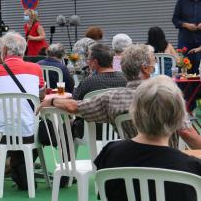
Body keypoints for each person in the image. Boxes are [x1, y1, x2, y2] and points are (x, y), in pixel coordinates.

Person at [94, 75, 201, 201]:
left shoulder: (109, 153)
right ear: (178, 118)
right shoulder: (192, 167)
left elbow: (108, 198)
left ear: (135, 112)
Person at [39, 44, 201, 149]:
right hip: (168, 166)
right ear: (146, 69)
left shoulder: (111, 98)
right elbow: (187, 134)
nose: (155, 66)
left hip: (130, 167)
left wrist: (52, 99)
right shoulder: (168, 94)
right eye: (154, 63)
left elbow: (75, 106)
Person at [0, 31, 46, 190]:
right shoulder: (36, 68)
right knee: (41, 128)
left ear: (4, 49)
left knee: (13, 122)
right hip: (28, 132)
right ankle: (20, 168)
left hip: (2, 134)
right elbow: (42, 95)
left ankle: (17, 168)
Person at [172, 0, 201, 74]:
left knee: (198, 69)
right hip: (185, 41)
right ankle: (184, 89)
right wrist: (185, 25)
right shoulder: (182, 0)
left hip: (199, 42)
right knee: (184, 69)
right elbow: (175, 19)